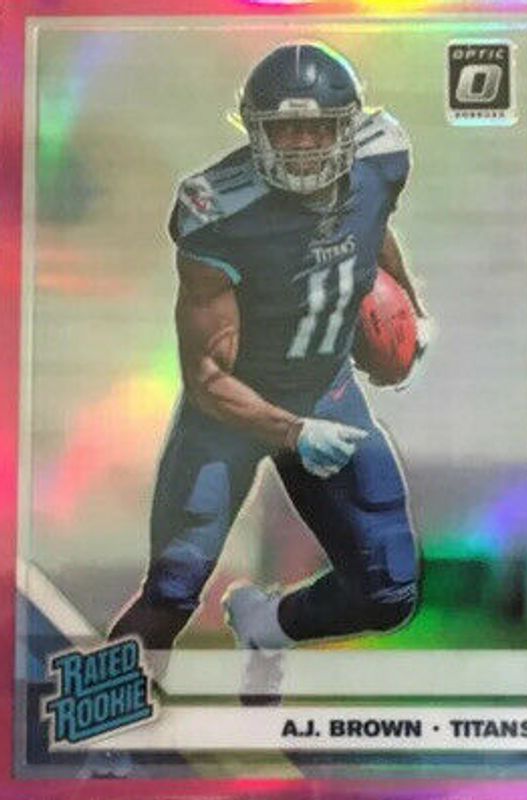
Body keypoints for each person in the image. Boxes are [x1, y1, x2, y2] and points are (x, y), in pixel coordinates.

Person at [110, 42, 429, 700]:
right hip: (227, 417)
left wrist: (410, 315)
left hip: (327, 391)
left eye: (320, 128)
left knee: (388, 589)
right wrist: (293, 432)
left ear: (349, 128)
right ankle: (96, 725)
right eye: (287, 130)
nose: (304, 145)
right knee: (172, 590)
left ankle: (267, 624)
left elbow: (373, 227)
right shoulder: (218, 210)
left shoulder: (382, 159)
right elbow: (206, 375)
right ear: (256, 132)